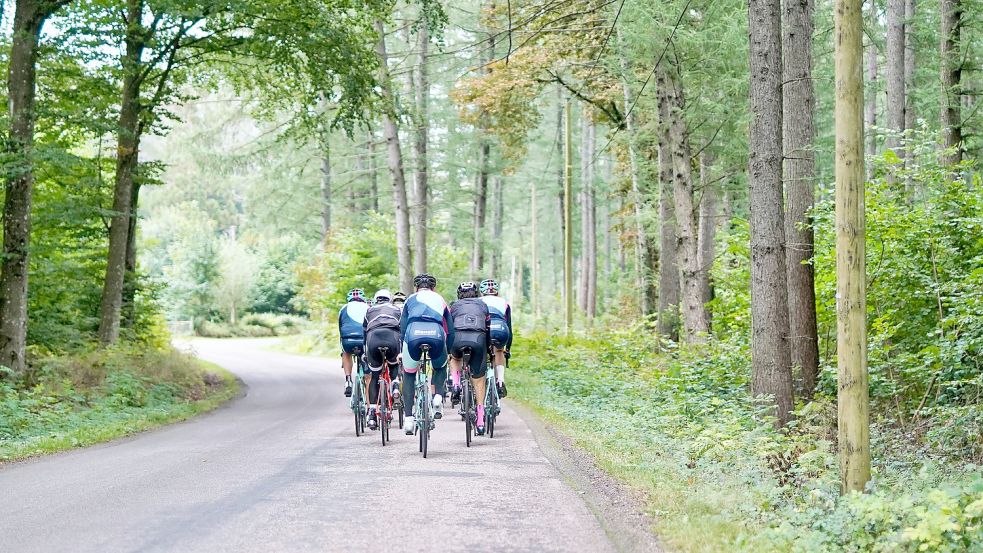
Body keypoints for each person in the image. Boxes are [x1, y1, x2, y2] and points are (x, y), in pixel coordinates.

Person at [399, 273, 454, 434]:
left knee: (409, 374)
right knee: (440, 366)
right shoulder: (440, 300)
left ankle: (408, 419)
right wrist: (449, 351)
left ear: (416, 287)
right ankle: (437, 397)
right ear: (433, 288)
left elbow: (402, 328)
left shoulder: (410, 299)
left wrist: (403, 348)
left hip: (413, 335)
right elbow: (450, 330)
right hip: (435, 334)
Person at [448, 281, 492, 435]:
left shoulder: (453, 306)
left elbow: (448, 328)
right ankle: (480, 421)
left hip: (458, 337)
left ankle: (455, 384)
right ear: (476, 294)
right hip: (478, 338)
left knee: (455, 358)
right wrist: (488, 350)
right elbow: (487, 329)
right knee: (479, 379)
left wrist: (448, 349)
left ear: (459, 295)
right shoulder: (482, 305)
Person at [362, 289, 401, 430]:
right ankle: (395, 385)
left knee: (374, 376)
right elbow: (402, 331)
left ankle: (372, 413)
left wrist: (365, 352)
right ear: (389, 299)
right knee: (394, 364)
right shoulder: (396, 310)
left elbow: (364, 332)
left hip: (373, 338)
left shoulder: (369, 310)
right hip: (392, 337)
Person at [479, 279, 512, 398]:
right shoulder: (504, 302)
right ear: (496, 292)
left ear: (481, 292)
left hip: (484, 329)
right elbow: (509, 326)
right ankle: (500, 381)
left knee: (480, 351)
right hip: (501, 329)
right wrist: (507, 349)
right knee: (499, 351)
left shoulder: (479, 301)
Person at [339, 288, 370, 397]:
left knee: (345, 352)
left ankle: (348, 380)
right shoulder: (368, 308)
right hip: (364, 341)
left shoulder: (343, 308)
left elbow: (340, 328)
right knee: (369, 374)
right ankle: (369, 405)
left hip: (348, 340)